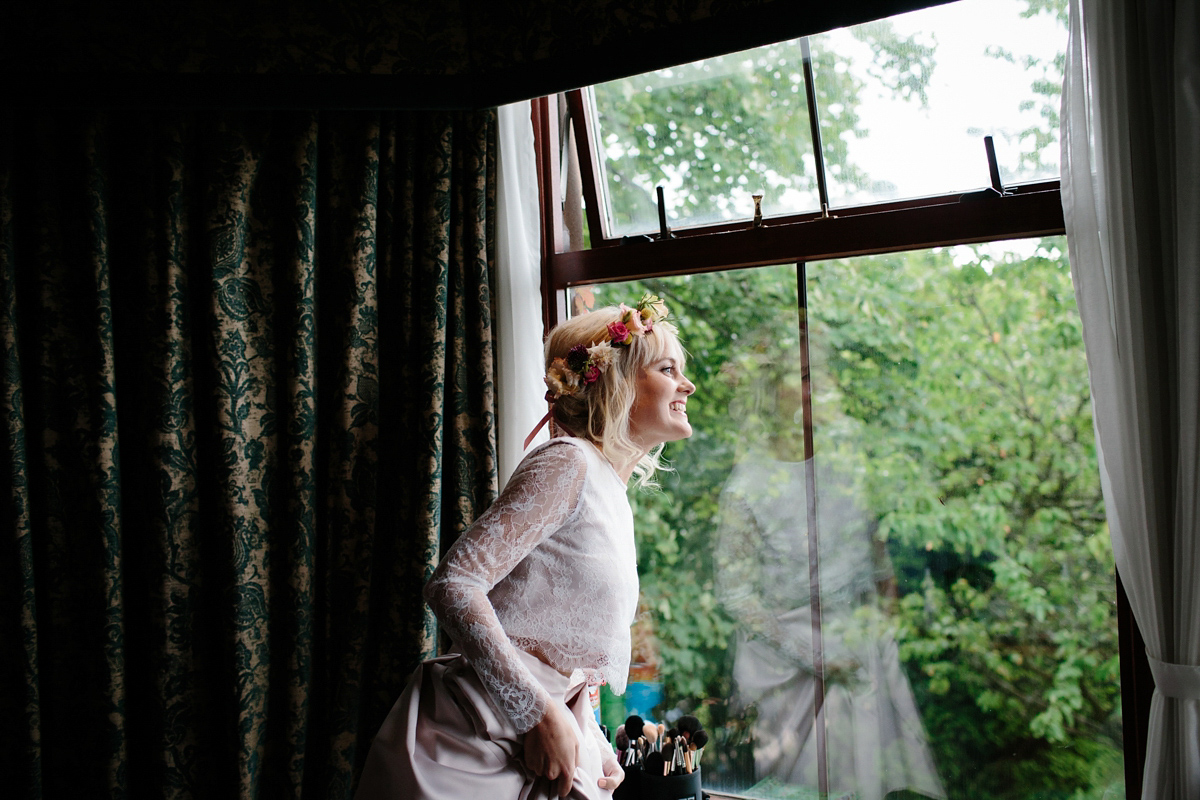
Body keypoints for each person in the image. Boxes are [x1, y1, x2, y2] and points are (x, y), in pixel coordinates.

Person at [356, 295, 696, 800]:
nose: (686, 385)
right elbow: (453, 584)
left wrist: (594, 740)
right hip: (475, 742)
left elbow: (567, 643)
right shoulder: (568, 463)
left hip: (541, 731)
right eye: (668, 369)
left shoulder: (609, 488)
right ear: (617, 379)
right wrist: (536, 711)